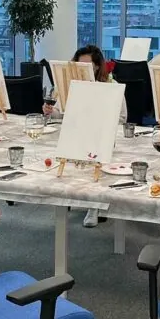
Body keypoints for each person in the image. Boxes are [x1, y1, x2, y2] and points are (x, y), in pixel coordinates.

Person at [42, 45, 126, 227]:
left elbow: (122, 118)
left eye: (87, 66)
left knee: (94, 151)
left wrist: (100, 119)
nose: (82, 70)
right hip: (75, 133)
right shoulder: (69, 86)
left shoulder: (110, 86)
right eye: (79, 65)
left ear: (97, 67)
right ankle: (73, 197)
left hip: (100, 135)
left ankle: (93, 205)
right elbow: (59, 112)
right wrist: (50, 111)